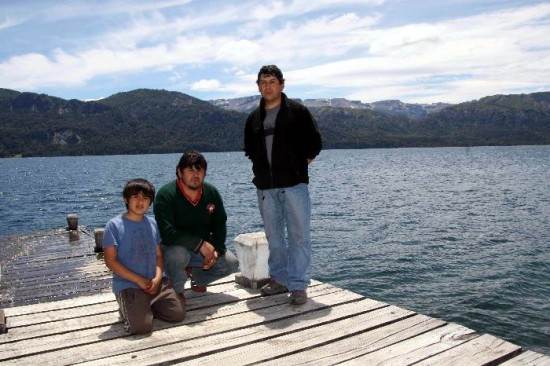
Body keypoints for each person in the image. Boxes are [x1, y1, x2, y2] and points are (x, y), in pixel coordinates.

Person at [244, 65, 322, 305]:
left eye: (272, 81)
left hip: (294, 186)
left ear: (281, 84)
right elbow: (249, 149)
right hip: (266, 188)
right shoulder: (254, 118)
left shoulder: (297, 112)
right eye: (263, 82)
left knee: (299, 236)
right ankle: (279, 279)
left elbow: (315, 143)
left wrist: (298, 165)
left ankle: (298, 285)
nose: (268, 86)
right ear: (258, 86)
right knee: (274, 237)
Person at [153, 150, 239, 302]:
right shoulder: (166, 195)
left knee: (231, 263)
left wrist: (216, 250)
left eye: (199, 170)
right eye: (190, 170)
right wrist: (200, 245)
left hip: (200, 250)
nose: (195, 174)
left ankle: (197, 278)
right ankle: (177, 290)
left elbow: (219, 224)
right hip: (173, 247)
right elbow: (167, 233)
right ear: (180, 172)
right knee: (178, 255)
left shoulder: (211, 192)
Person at [103, 178, 185, 335]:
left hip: (154, 283)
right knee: (141, 328)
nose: (140, 201)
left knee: (177, 315)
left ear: (150, 202)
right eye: (135, 197)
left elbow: (159, 256)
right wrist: (138, 280)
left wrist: (158, 277)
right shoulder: (113, 225)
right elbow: (110, 261)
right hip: (129, 285)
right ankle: (129, 310)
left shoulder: (152, 223)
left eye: (145, 198)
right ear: (126, 199)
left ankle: (145, 307)